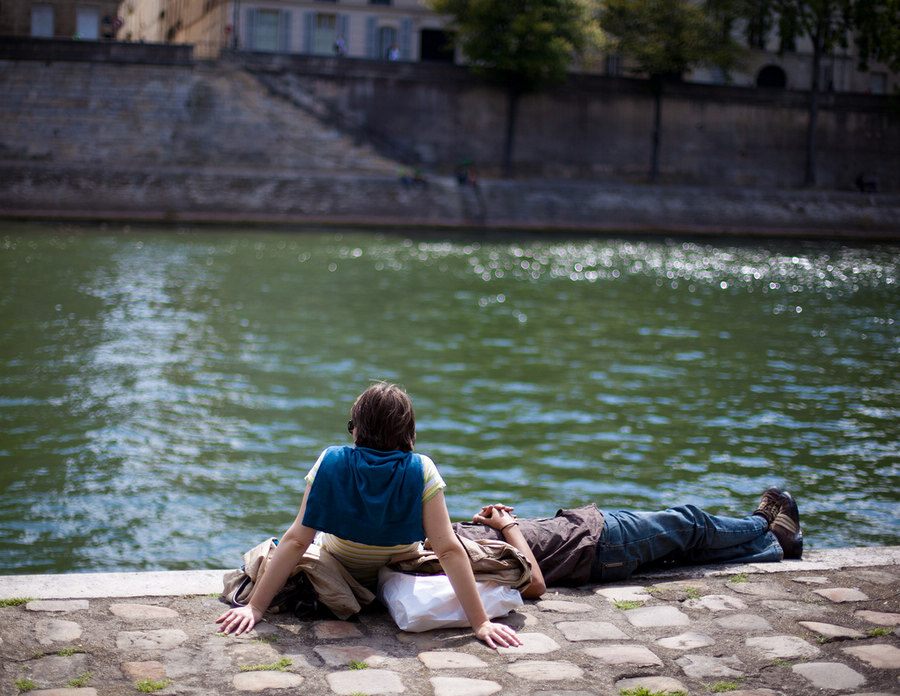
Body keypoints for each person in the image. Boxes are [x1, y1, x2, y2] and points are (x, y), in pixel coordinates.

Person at [216, 382, 521, 649]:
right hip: (398, 571)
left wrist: (255, 608)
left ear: (357, 428)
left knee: (273, 549)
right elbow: (447, 548)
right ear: (409, 432)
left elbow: (297, 540)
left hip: (339, 570)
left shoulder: (331, 460)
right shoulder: (422, 468)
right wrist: (480, 623)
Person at [453, 488, 803, 596]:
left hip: (589, 540)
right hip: (598, 543)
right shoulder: (448, 555)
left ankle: (774, 545)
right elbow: (534, 582)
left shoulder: (438, 547)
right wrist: (508, 525)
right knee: (690, 523)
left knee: (687, 552)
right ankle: (762, 524)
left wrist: (485, 524)